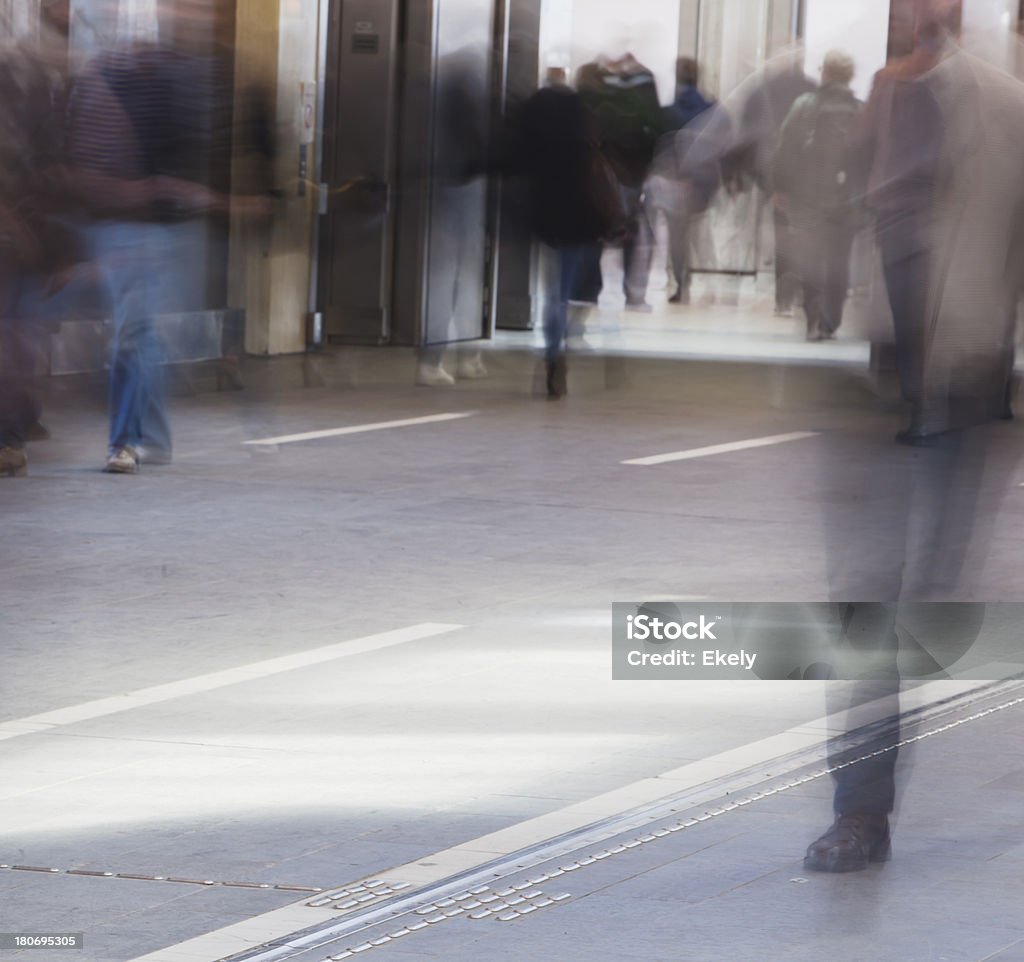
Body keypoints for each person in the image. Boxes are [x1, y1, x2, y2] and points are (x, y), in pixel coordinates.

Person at [512, 80, 621, 397]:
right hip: (582, 226)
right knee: (570, 290)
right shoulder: (586, 147)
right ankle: (566, 340)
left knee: (553, 295)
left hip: (547, 224)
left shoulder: (536, 149)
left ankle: (552, 353)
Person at [772, 50, 861, 341]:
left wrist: (781, 188)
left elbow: (785, 149)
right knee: (839, 258)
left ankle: (813, 319)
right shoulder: (861, 109)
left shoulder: (805, 105)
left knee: (812, 256)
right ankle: (831, 321)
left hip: (808, 195)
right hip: (846, 198)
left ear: (825, 73)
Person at [577, 53, 663, 312]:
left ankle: (587, 291)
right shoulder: (642, 84)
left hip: (601, 170)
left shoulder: (594, 87)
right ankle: (632, 294)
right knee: (628, 231)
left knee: (596, 230)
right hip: (629, 170)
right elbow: (654, 128)